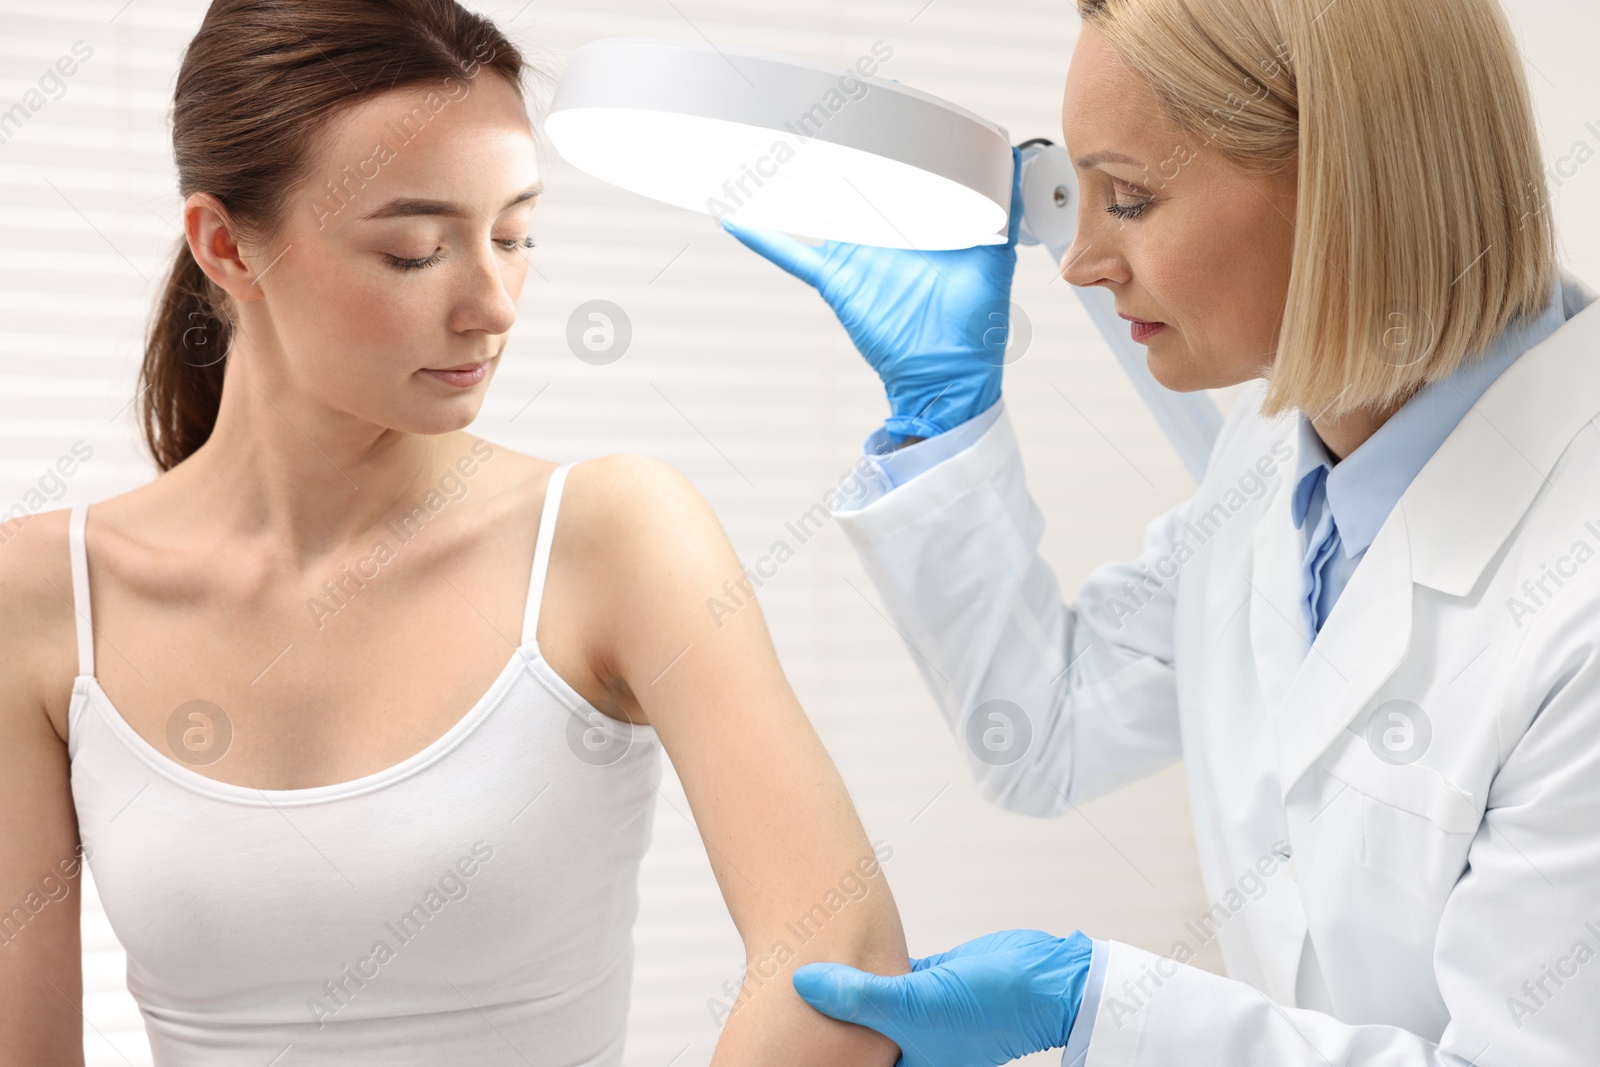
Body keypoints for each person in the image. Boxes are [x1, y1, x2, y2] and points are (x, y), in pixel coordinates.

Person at [0, 2, 911, 1064]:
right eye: (416, 250)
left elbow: (843, 950)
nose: (493, 301)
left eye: (516, 236)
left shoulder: (610, 537)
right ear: (224, 245)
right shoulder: (40, 596)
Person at [724, 0, 1600, 1064]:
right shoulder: (1282, 453)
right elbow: (1046, 729)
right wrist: (943, 421)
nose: (1079, 260)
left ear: (1343, 190)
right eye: (1080, 197)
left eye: (1129, 199)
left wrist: (1108, 1008)